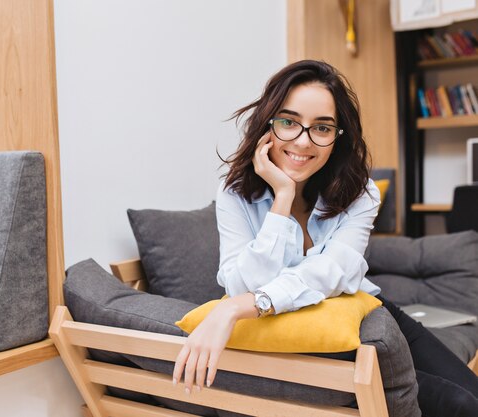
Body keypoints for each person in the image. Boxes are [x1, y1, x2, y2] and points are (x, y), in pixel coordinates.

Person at [171, 60, 478, 416]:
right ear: (266, 125)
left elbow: (336, 271)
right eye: (288, 122)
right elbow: (244, 283)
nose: (303, 141)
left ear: (338, 137)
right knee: (458, 405)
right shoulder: (235, 194)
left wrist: (239, 307)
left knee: (471, 393)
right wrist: (282, 198)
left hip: (371, 316)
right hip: (317, 337)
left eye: (322, 127)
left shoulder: (360, 194)